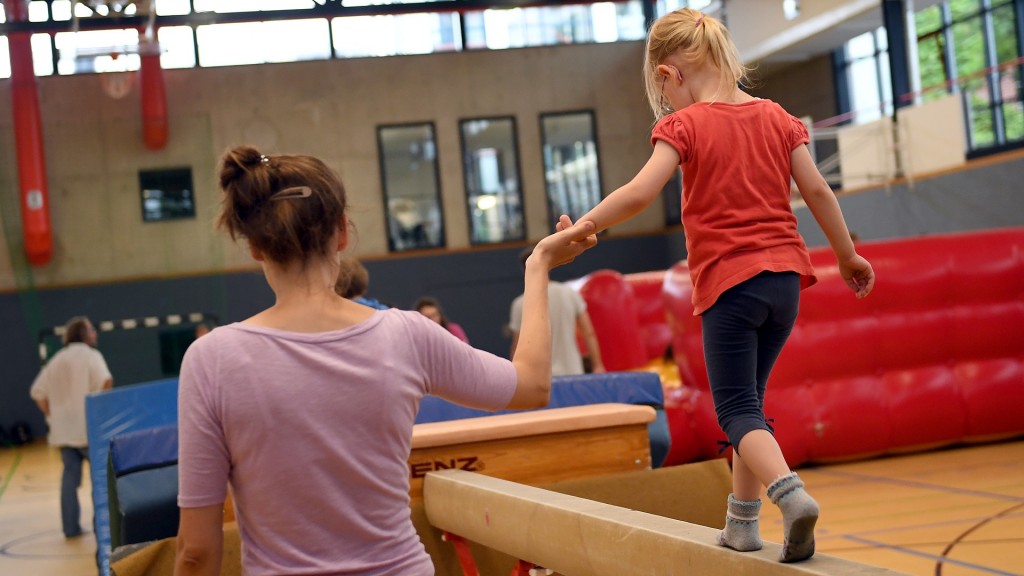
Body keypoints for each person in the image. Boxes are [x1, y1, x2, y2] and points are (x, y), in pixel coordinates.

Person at [173, 146, 596, 576]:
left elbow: (196, 551)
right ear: (342, 232)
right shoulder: (405, 335)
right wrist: (538, 266)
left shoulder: (212, 360)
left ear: (255, 247)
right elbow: (532, 385)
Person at [560, 8, 875, 563]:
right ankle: (742, 525)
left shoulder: (684, 126)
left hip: (731, 284)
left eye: (663, 89)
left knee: (733, 409)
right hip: (785, 283)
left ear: (670, 74)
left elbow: (639, 193)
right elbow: (818, 192)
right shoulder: (777, 117)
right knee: (749, 404)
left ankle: (790, 495)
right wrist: (846, 255)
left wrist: (586, 225)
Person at [29, 316, 113, 539]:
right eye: (91, 329)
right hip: (88, 430)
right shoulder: (92, 356)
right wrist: (101, 410)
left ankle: (70, 528)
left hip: (63, 432)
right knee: (100, 481)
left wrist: (52, 414)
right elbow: (106, 381)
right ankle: (101, 528)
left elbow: (37, 392)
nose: (95, 333)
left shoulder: (56, 359)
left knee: (69, 479)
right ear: (83, 334)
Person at [508, 246, 605, 377]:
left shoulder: (520, 304)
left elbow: (518, 346)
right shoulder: (570, 294)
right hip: (573, 371)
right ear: (548, 265)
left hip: (541, 377)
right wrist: (598, 365)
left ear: (524, 269)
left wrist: (516, 376)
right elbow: (589, 333)